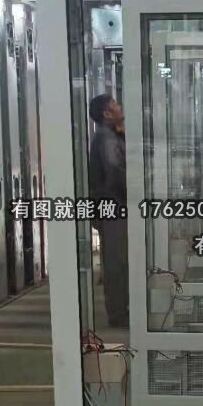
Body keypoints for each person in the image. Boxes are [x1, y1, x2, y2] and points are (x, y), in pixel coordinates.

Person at [88, 94, 128, 328]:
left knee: (120, 260)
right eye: (115, 105)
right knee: (116, 262)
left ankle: (121, 309)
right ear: (106, 114)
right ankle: (118, 313)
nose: (120, 107)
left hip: (115, 205)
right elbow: (115, 170)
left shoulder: (112, 135)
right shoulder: (105, 137)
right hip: (113, 206)